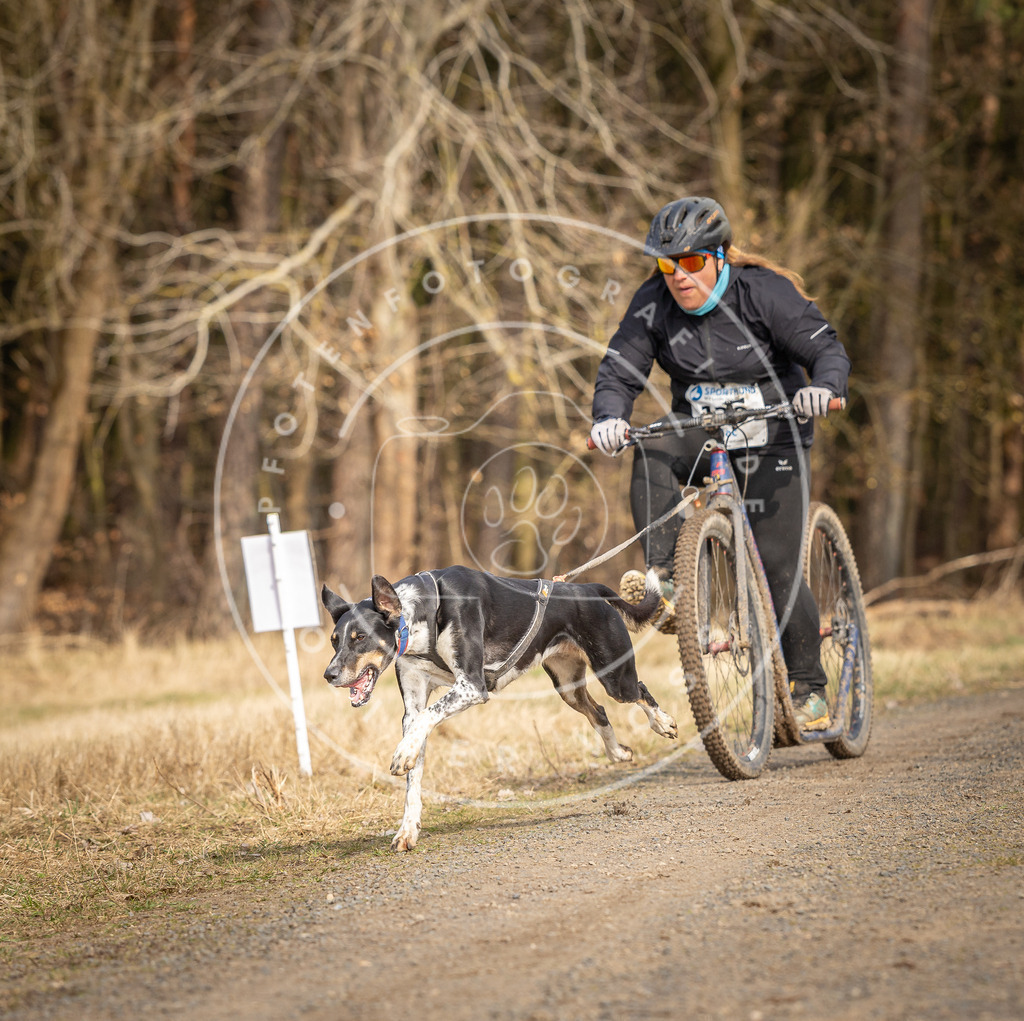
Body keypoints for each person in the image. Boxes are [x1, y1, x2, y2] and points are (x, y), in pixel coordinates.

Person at [589, 196, 850, 730]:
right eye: (668, 265)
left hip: (774, 436)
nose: (679, 277)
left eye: (691, 262)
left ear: (719, 258)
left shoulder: (764, 294)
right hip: (703, 434)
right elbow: (619, 370)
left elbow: (826, 348)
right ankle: (669, 583)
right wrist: (608, 418)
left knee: (778, 567)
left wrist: (824, 387)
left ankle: (809, 687)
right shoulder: (652, 304)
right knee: (653, 448)